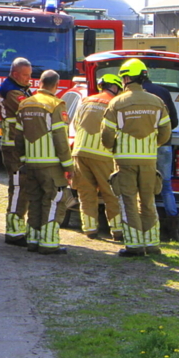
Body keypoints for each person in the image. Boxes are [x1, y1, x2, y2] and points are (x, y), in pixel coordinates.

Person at [102, 58, 172, 257]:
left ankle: (134, 245)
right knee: (148, 201)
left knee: (128, 201)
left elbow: (106, 134)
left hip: (125, 161)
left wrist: (113, 147)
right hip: (149, 160)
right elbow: (166, 131)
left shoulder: (117, 102)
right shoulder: (157, 102)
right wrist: (153, 145)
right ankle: (152, 244)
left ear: (126, 78)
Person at [14, 69, 73, 255]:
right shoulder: (56, 105)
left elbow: (18, 136)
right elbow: (60, 138)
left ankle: (32, 240)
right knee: (54, 201)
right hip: (51, 165)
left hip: (30, 164)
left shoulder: (24, 105)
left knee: (35, 201)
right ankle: (48, 243)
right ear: (55, 86)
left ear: (39, 83)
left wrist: (23, 159)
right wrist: (68, 165)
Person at [71, 73, 124, 240]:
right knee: (111, 193)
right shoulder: (114, 104)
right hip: (102, 154)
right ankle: (117, 231)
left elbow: (75, 124)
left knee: (86, 193)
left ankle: (90, 230)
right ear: (115, 87)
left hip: (80, 152)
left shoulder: (86, 101)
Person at [0, 57, 33, 246]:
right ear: (15, 74)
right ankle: (14, 232)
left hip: (17, 144)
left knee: (22, 187)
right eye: (26, 75)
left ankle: (18, 229)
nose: (30, 79)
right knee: (19, 187)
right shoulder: (11, 91)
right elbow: (28, 109)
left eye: (30, 75)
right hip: (13, 145)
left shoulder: (20, 88)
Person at [142, 74, 179, 240]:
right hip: (164, 144)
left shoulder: (131, 94)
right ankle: (173, 230)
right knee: (166, 186)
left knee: (144, 185)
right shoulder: (163, 92)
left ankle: (147, 225)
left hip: (142, 146)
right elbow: (175, 122)